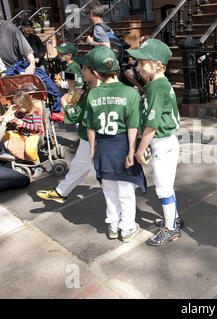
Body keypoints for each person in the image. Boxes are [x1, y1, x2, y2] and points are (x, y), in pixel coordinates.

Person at [81, 46, 145, 243]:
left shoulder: (92, 94)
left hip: (102, 146)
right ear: (116, 69)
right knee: (125, 190)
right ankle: (127, 228)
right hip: (122, 145)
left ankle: (113, 225)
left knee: (108, 190)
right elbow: (133, 125)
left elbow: (90, 126)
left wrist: (92, 149)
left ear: (96, 72)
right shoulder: (130, 93)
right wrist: (132, 150)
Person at [127, 39, 182, 246]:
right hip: (165, 142)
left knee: (163, 188)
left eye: (143, 63)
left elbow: (151, 124)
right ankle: (173, 218)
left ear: (159, 65)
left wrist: (140, 149)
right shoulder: (158, 84)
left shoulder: (157, 87)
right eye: (138, 63)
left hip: (163, 142)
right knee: (165, 185)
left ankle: (171, 229)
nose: (138, 67)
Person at [36, 55, 100, 204]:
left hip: (94, 140)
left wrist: (63, 101)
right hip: (87, 138)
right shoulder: (91, 90)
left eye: (84, 68)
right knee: (79, 165)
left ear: (95, 72)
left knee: (106, 180)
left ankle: (123, 214)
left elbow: (74, 116)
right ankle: (61, 192)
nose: (81, 70)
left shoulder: (93, 93)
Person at [1, 91, 43, 165]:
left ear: (27, 104)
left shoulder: (34, 113)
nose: (20, 110)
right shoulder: (20, 113)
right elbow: (18, 123)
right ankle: (16, 152)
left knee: (29, 151)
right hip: (22, 133)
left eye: (21, 108)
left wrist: (23, 124)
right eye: (18, 108)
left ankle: (37, 164)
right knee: (4, 135)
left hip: (32, 134)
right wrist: (14, 121)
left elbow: (38, 128)